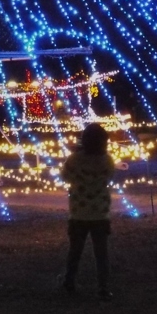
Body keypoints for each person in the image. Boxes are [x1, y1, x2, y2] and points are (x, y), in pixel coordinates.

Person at [60, 123, 115, 301]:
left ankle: (69, 280)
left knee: (75, 250)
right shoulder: (107, 160)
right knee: (101, 252)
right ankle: (103, 287)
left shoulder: (74, 160)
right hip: (100, 212)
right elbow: (109, 176)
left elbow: (64, 175)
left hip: (78, 212)